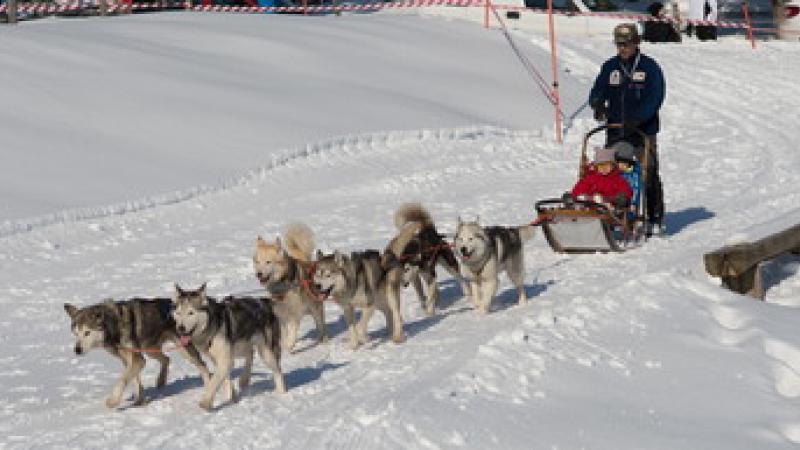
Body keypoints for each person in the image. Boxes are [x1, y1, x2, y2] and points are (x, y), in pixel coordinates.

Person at [589, 23, 666, 235]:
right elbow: (598, 89)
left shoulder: (649, 67)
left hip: (642, 131)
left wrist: (639, 117)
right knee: (608, 174)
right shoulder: (610, 67)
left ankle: (654, 217)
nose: (622, 48)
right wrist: (597, 103)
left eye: (627, 44)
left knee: (646, 173)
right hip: (615, 130)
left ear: (637, 42)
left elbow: (656, 96)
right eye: (619, 44)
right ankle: (614, 214)